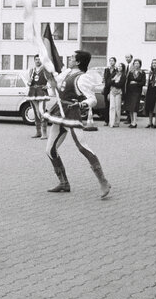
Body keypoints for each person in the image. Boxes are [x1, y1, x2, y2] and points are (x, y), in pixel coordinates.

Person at [43, 50, 111, 199]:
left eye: (73, 57)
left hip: (72, 113)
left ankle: (103, 181)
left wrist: (81, 105)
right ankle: (64, 183)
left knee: (82, 147)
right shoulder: (66, 73)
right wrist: (49, 80)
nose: (70, 58)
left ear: (78, 62)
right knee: (50, 150)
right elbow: (55, 91)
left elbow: (92, 99)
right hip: (59, 111)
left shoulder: (82, 78)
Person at [27, 54, 52, 139]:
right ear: (34, 60)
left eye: (39, 59)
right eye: (36, 59)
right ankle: (38, 132)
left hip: (41, 92)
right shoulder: (32, 70)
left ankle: (44, 133)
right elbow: (29, 82)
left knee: (42, 111)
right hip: (33, 92)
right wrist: (29, 81)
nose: (38, 61)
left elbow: (51, 80)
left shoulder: (45, 69)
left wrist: (48, 86)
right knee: (35, 112)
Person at [124, 59, 145, 128]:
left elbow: (143, 82)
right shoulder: (130, 72)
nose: (136, 65)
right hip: (130, 91)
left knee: (135, 106)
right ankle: (131, 121)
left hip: (137, 91)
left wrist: (136, 83)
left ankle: (134, 122)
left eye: (138, 63)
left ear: (140, 65)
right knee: (130, 107)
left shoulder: (142, 73)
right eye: (135, 63)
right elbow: (127, 82)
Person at [106, 62, 127, 128]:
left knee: (118, 107)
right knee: (112, 107)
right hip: (112, 92)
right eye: (118, 66)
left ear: (123, 68)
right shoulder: (114, 74)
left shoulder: (123, 75)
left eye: (120, 66)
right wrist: (114, 81)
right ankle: (111, 122)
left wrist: (113, 82)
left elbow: (120, 84)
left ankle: (117, 122)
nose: (119, 67)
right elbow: (108, 82)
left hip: (119, 92)